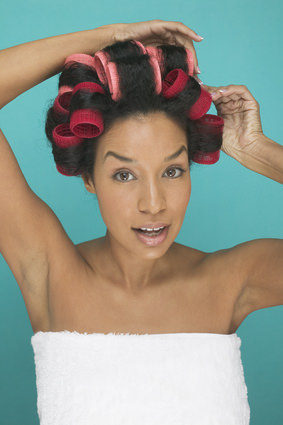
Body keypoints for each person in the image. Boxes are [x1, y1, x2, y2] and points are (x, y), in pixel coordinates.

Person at [0, 19, 282, 425]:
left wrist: (262, 151)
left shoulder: (234, 279)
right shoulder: (50, 272)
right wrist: (105, 39)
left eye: (172, 171)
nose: (154, 205)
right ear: (88, 178)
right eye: (124, 175)